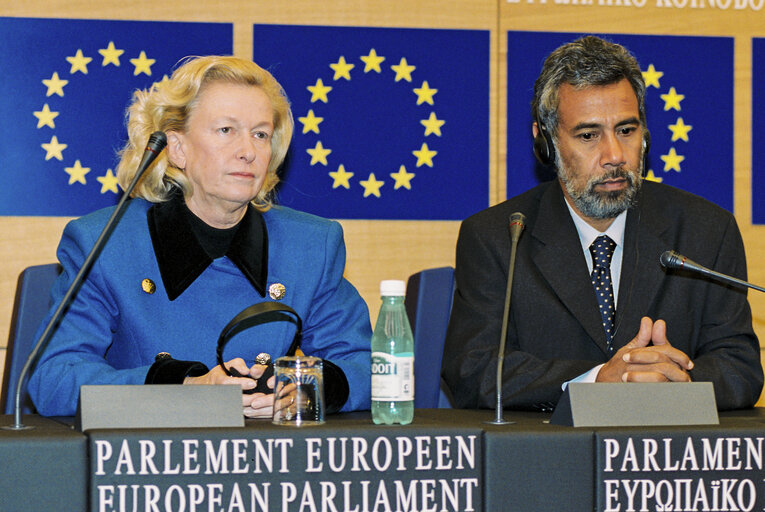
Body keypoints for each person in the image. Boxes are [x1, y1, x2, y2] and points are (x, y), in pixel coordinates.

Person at [28, 56, 372, 418]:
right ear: (177, 148)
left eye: (260, 134)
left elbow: (367, 368)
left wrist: (303, 391)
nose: (248, 151)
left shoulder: (312, 245)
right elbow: (53, 378)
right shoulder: (106, 243)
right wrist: (185, 390)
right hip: (147, 461)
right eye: (226, 130)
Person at [442, 36, 763, 412]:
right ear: (545, 142)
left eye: (627, 131)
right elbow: (473, 369)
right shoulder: (499, 236)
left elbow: (740, 367)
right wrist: (597, 380)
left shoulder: (707, 230)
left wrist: (672, 382)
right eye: (589, 135)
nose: (614, 156)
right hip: (551, 461)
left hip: (667, 460)